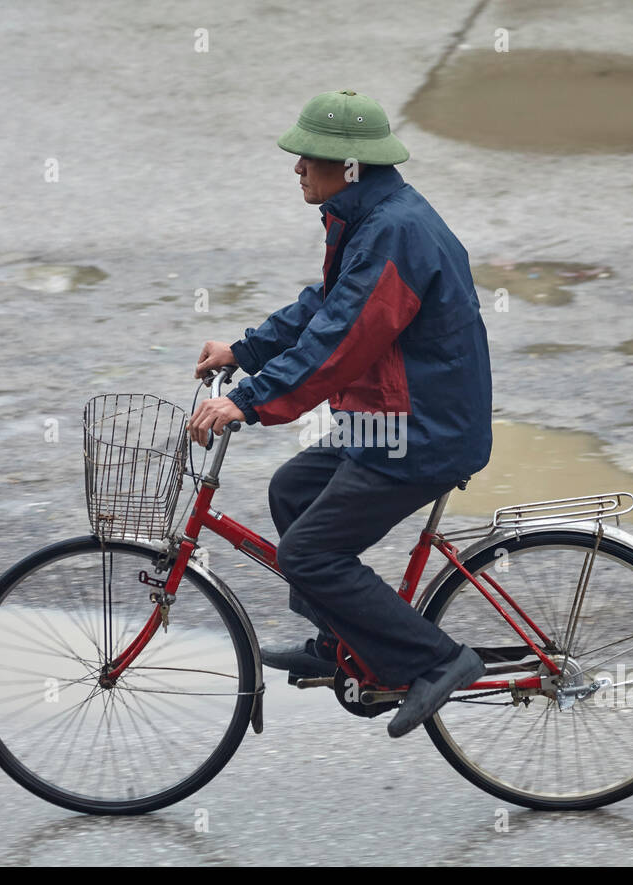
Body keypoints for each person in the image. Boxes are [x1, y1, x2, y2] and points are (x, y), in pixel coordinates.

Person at [187, 89, 492, 738]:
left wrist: (247, 400)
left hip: (421, 434)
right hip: (393, 421)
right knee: (291, 489)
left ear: (350, 167)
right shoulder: (370, 217)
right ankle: (340, 644)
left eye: (310, 158)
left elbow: (340, 341)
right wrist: (242, 350)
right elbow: (322, 308)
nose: (297, 168)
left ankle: (435, 662)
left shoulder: (394, 234)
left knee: (310, 555)